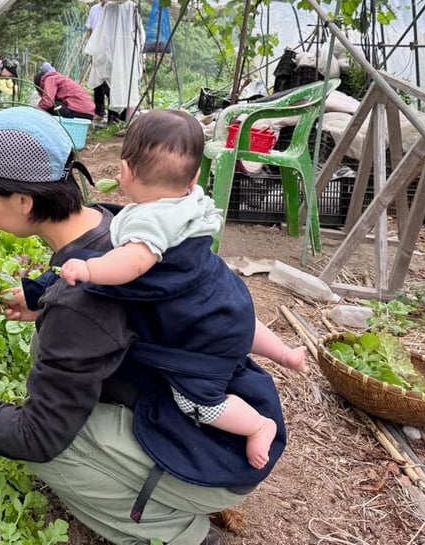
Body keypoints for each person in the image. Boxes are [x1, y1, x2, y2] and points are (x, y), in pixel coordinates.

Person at [0, 106, 287, 545]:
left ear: (24, 202)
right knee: (53, 372)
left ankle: (181, 533)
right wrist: (40, 296)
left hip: (216, 451)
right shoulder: (117, 225)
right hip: (228, 413)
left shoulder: (81, 300)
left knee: (48, 453)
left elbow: (37, 437)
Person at [57, 109, 306, 469]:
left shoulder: (149, 222)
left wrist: (89, 268)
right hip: (226, 297)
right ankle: (284, 353)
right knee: (242, 327)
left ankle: (257, 425)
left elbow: (133, 264)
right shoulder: (192, 200)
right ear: (192, 180)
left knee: (199, 402)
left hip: (201, 327)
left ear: (125, 172)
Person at [84, 0, 110, 121]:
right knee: (96, 81)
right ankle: (99, 111)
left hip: (110, 50)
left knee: (109, 81)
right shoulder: (94, 9)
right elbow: (90, 30)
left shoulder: (114, 8)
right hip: (97, 49)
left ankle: (115, 113)